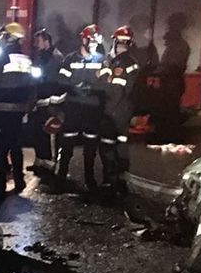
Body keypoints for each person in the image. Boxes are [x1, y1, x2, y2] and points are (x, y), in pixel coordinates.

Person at [0, 24, 36, 196]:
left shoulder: (2, 58)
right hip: (18, 111)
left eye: (3, 36)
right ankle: (19, 180)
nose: (1, 39)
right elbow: (31, 85)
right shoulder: (26, 59)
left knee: (0, 148)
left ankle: (0, 184)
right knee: (15, 145)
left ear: (10, 38)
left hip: (1, 110)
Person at [55, 24, 106, 190]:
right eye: (89, 40)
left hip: (92, 109)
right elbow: (61, 80)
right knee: (67, 143)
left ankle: (90, 180)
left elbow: (107, 83)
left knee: (90, 147)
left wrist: (92, 88)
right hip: (74, 108)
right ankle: (61, 177)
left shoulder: (101, 60)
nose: (92, 44)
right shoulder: (70, 59)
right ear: (83, 39)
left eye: (94, 41)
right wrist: (75, 87)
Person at [97, 26, 140, 185]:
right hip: (126, 109)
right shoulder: (132, 62)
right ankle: (122, 178)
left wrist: (104, 72)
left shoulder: (119, 64)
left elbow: (114, 90)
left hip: (114, 111)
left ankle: (109, 180)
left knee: (107, 145)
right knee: (121, 144)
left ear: (116, 42)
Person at [30, 28, 63, 163]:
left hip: (51, 101)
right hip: (39, 99)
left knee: (50, 131)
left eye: (39, 41)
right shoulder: (40, 56)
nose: (37, 44)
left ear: (46, 41)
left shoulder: (56, 57)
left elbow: (55, 80)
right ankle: (40, 158)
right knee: (37, 131)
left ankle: (50, 160)